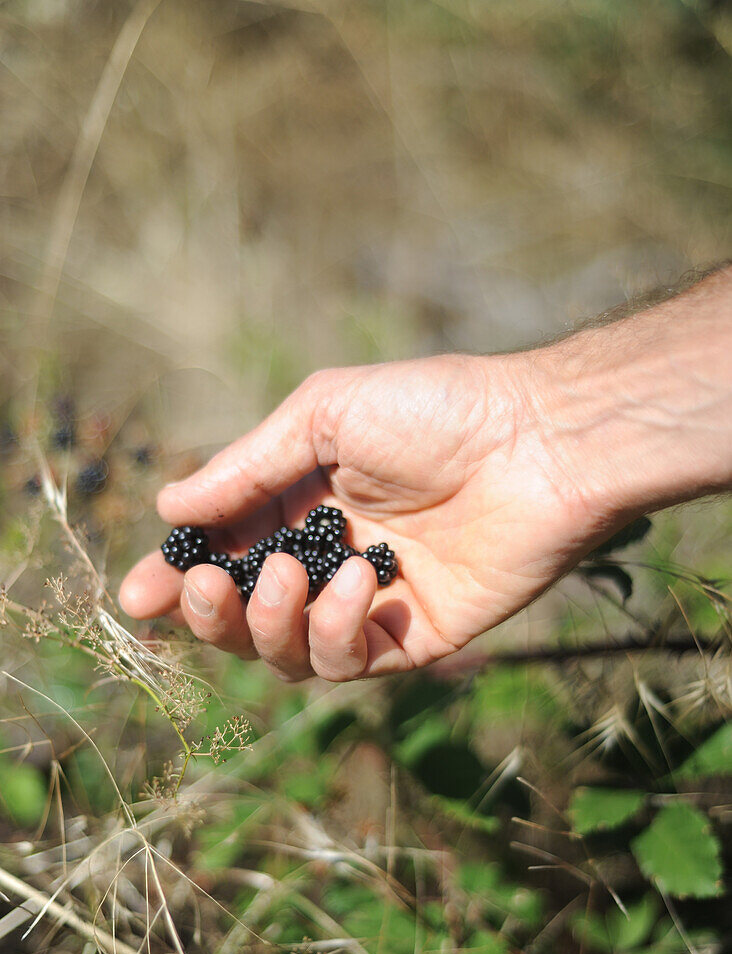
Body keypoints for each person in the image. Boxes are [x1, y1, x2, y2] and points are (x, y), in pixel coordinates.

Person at [120, 264, 732, 682]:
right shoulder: (299, 547)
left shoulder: (319, 537)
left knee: (276, 586)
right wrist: (543, 432)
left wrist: (536, 428)